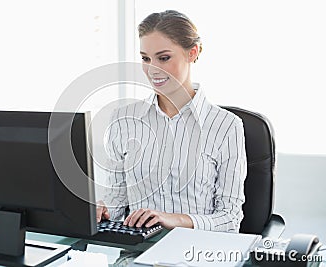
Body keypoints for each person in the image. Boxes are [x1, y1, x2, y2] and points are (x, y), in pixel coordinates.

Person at [96, 10, 247, 233]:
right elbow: (116, 201)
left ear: (192, 53)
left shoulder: (226, 127)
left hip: (199, 254)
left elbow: (230, 218)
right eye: (145, 58)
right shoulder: (123, 121)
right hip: (138, 255)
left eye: (163, 58)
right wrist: (103, 208)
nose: (152, 69)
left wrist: (175, 219)